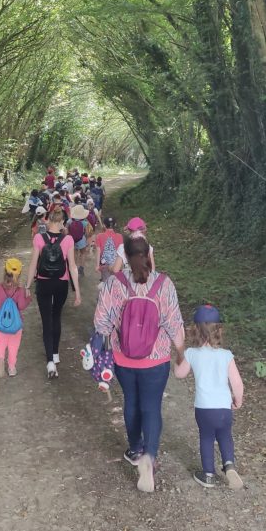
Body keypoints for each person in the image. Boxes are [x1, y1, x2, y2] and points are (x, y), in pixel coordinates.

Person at [94, 237, 184, 493]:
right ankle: (150, 457)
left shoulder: (114, 283)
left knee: (131, 402)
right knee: (151, 406)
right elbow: (174, 323)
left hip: (123, 358)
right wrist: (180, 353)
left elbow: (101, 323)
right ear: (148, 255)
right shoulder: (163, 284)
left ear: (126, 254)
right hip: (155, 360)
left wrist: (107, 340)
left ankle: (135, 449)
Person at [174, 304, 244, 489]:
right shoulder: (226, 355)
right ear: (219, 330)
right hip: (224, 407)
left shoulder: (191, 353)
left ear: (195, 330)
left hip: (204, 408)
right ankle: (229, 465)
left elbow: (179, 374)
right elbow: (236, 383)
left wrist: (179, 353)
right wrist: (238, 399)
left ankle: (209, 475)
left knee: (206, 437)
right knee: (225, 435)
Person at [26, 205, 81, 378]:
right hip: (61, 283)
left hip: (43, 283)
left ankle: (50, 361)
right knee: (56, 316)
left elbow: (33, 264)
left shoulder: (39, 238)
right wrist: (77, 291)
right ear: (63, 221)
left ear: (48, 219)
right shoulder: (68, 240)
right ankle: (55, 353)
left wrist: (27, 285)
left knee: (46, 320)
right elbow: (72, 267)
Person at [0, 258, 32, 378]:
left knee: (0, 341)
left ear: (4, 271)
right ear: (19, 274)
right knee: (13, 346)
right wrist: (28, 298)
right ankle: (11, 367)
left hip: (1, 323)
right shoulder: (20, 290)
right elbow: (21, 306)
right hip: (16, 325)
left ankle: (0, 358)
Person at [96, 216, 123, 283]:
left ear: (104, 225)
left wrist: (97, 265)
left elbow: (98, 251)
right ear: (115, 224)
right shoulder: (120, 236)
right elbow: (121, 251)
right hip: (116, 264)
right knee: (116, 282)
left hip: (104, 264)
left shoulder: (99, 236)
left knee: (106, 283)